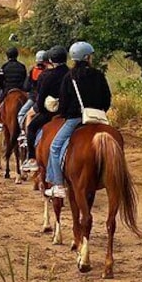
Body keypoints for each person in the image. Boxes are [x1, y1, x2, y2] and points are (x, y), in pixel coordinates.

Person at [43, 42, 111, 199]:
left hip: (75, 119)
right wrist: (99, 111)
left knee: (55, 147)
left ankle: (58, 185)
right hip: (98, 118)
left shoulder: (70, 77)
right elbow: (107, 99)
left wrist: (65, 114)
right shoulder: (99, 74)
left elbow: (64, 103)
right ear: (87, 57)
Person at [21, 45, 68, 172]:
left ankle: (32, 158)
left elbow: (40, 98)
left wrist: (41, 110)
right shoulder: (70, 73)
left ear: (51, 59)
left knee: (31, 127)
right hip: (68, 112)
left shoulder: (47, 75)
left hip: (49, 112)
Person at [18, 50, 48, 132]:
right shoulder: (48, 71)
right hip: (47, 99)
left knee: (21, 113)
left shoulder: (33, 70)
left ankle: (24, 133)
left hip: (34, 98)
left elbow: (26, 86)